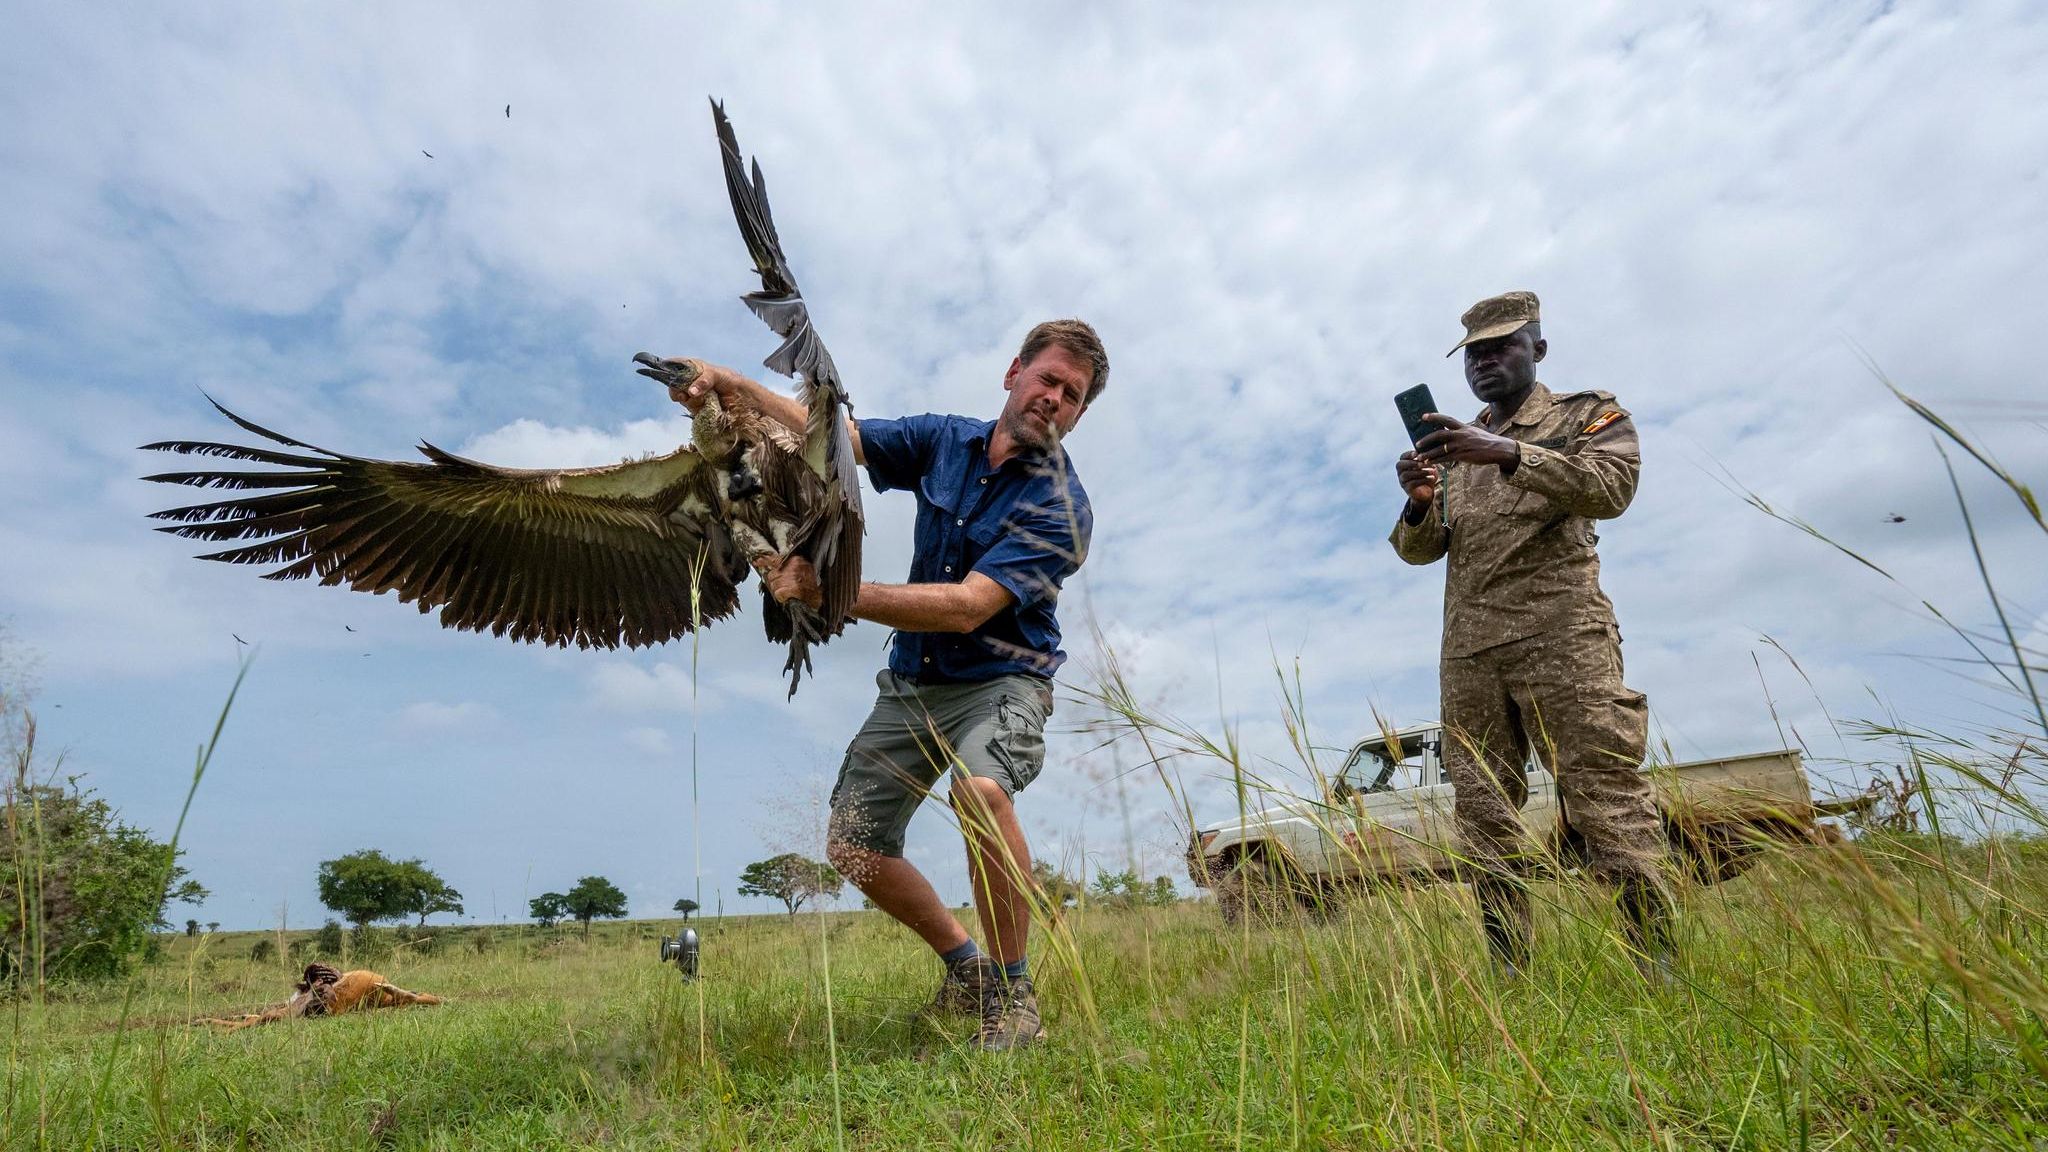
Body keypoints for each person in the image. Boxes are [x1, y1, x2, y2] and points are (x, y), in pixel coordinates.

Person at [666, 319, 1105, 1049]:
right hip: (915, 678)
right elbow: (843, 437)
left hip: (1002, 679)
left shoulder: (1062, 507)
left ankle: (1012, 990)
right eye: (1048, 379)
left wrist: (829, 591)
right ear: (1013, 374)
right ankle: (965, 971)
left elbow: (969, 608)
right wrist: (731, 384)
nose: (1055, 398)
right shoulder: (945, 441)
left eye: (1074, 394)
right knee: (853, 843)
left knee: (982, 793)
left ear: (1080, 413)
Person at [1388, 290, 1672, 977]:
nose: (1485, 364)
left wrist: (1508, 452)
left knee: (1603, 792)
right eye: (1474, 355)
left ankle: (1656, 962)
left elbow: (1611, 488)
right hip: (1471, 651)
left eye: (1501, 348)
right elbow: (1417, 550)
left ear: (1537, 350)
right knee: (1484, 810)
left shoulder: (1583, 415)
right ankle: (1512, 968)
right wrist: (1421, 501)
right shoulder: (1454, 447)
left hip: (1563, 637)